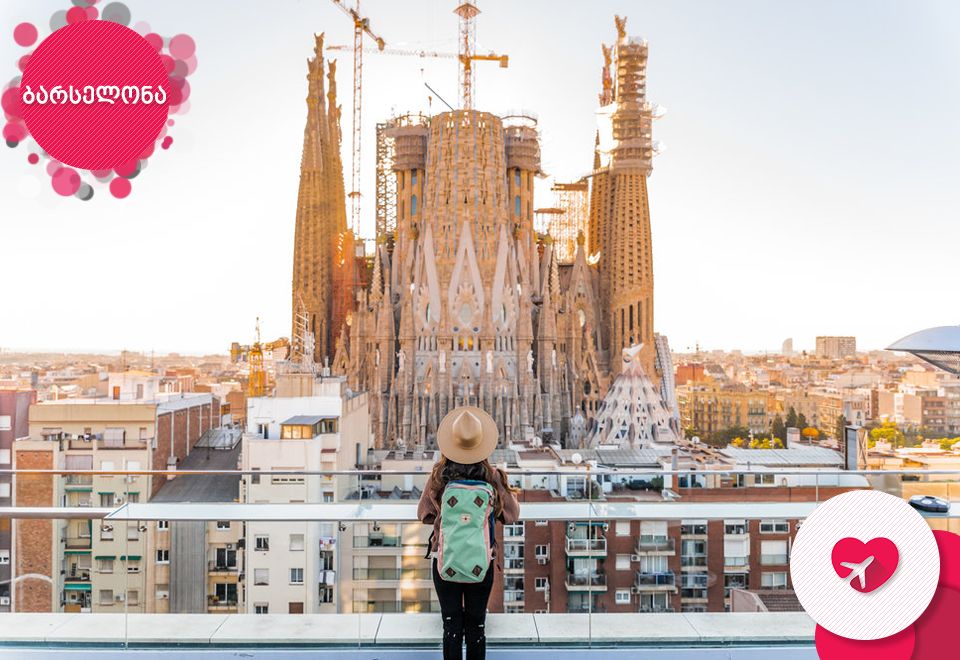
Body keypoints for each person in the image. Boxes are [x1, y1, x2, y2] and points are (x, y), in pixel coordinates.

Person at [418, 406, 520, 660]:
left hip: (446, 560)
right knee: (476, 628)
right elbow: (512, 515)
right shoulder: (492, 476)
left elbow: (423, 514)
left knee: (451, 627)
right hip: (481, 562)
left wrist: (448, 518)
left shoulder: (439, 477)